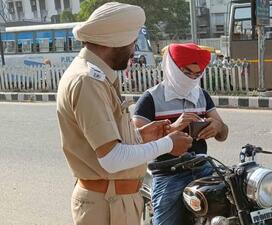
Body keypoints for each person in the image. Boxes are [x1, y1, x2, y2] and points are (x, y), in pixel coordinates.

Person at [56, 3, 192, 225]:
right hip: (106, 206)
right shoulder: (88, 81)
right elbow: (111, 159)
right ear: (114, 42)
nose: (133, 50)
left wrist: (141, 137)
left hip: (115, 201)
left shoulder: (100, 76)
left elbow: (110, 142)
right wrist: (168, 144)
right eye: (132, 42)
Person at [132, 43, 229, 225]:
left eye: (197, 74)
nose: (192, 78)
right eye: (187, 73)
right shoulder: (151, 98)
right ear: (172, 68)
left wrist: (217, 126)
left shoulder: (201, 95)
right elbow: (136, 142)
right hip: (168, 172)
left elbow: (223, 134)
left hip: (203, 168)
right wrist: (173, 128)